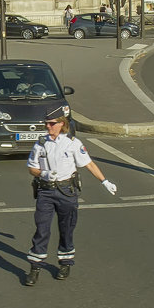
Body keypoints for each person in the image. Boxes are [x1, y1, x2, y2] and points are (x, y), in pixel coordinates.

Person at [24, 108, 116, 286]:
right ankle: (35, 267)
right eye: (46, 123)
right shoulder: (40, 144)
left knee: (66, 229)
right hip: (46, 191)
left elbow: (88, 164)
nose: (48, 126)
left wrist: (104, 181)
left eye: (51, 123)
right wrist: (43, 173)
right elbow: (31, 168)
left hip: (67, 191)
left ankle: (65, 263)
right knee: (42, 229)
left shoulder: (72, 144)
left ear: (61, 124)